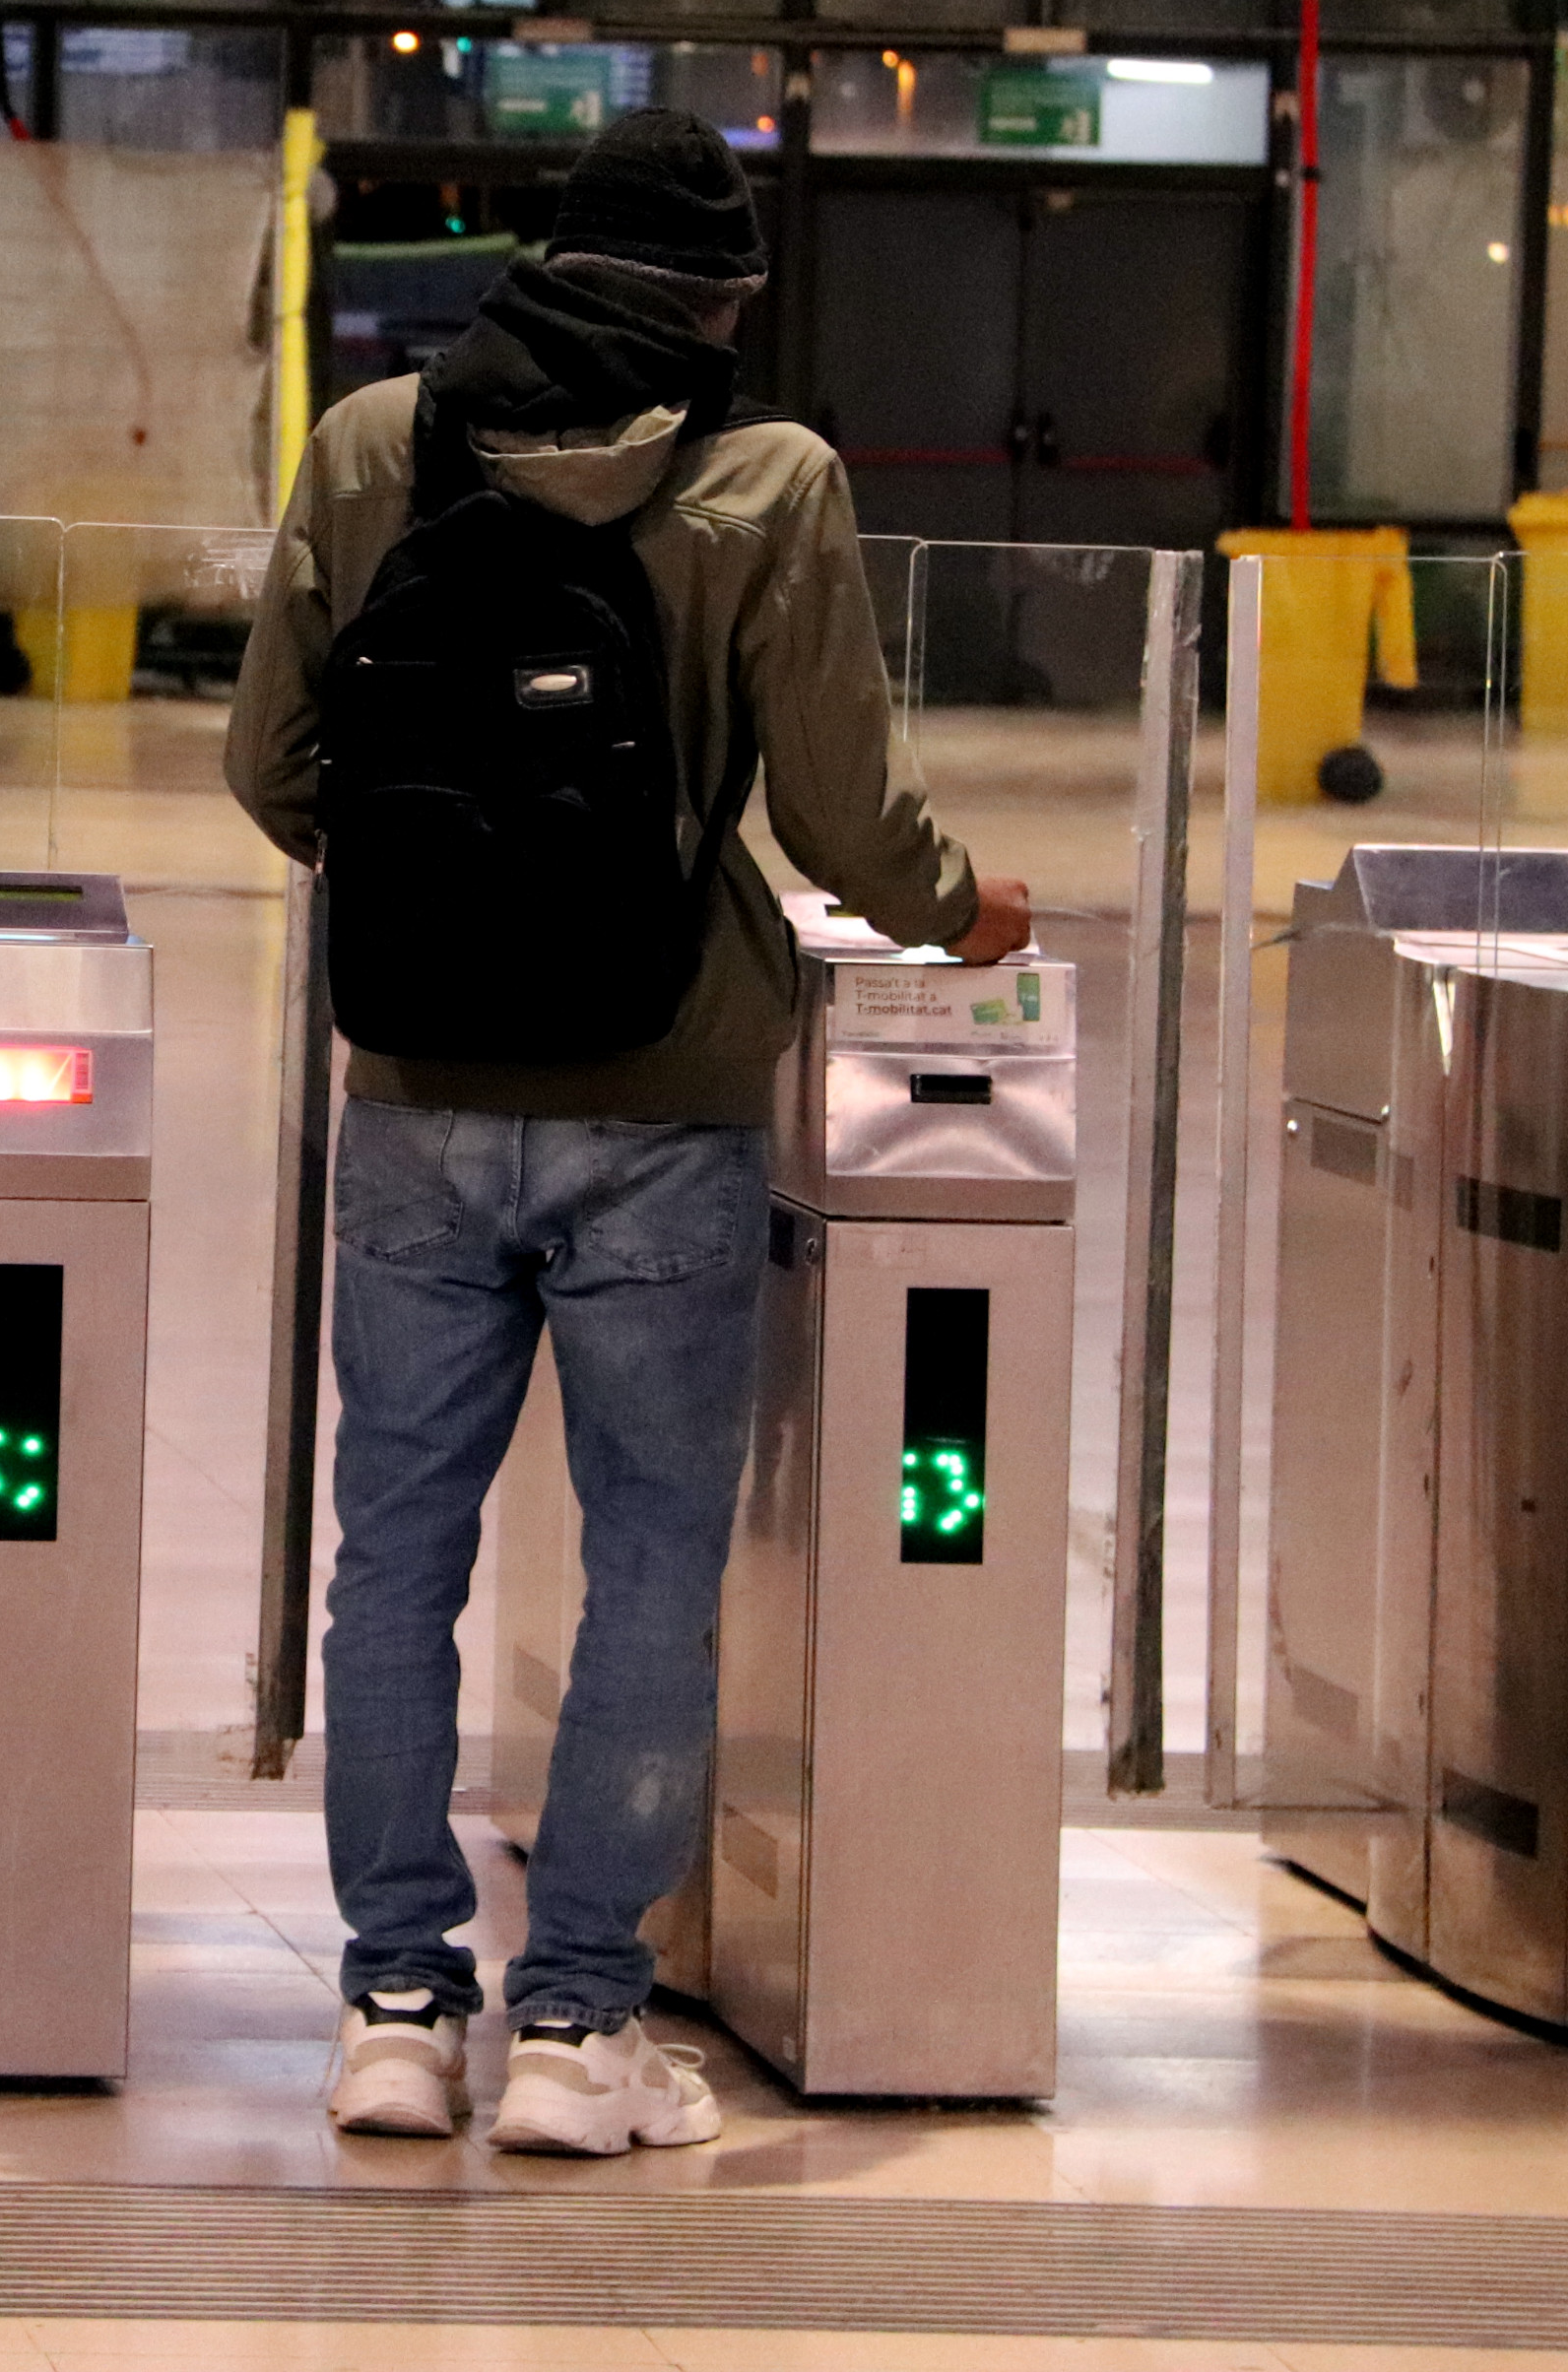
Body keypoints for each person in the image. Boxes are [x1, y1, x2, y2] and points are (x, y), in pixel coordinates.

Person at [222, 109, 1029, 2157]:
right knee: (654, 1568)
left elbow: (270, 758)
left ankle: (397, 2007)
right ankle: (581, 2030)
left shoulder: (373, 442)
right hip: (665, 1097)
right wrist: (964, 908)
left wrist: (438, 898)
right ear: (726, 298)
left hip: (414, 1092)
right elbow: (845, 818)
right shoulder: (769, 479)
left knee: (392, 1548)